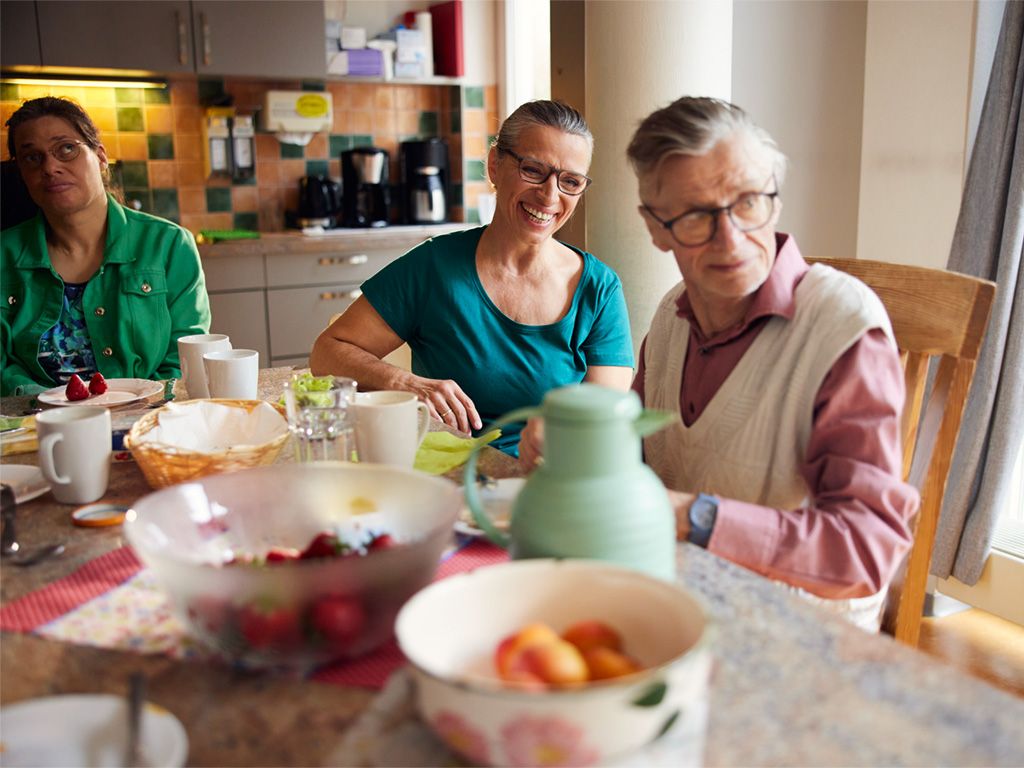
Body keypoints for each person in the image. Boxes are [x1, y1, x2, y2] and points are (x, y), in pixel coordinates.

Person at [522, 97, 919, 629]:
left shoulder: (844, 327)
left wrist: (692, 517)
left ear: (774, 202)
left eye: (748, 201)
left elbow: (865, 551)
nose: (731, 239)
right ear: (656, 227)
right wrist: (577, 444)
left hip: (797, 631)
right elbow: (637, 456)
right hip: (674, 605)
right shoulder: (670, 318)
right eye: (695, 216)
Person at [310, 100, 634, 456]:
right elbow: (327, 352)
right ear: (495, 164)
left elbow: (607, 418)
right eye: (533, 170)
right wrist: (404, 382)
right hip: (448, 479)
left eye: (570, 181)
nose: (549, 195)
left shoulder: (598, 288)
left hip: (548, 482)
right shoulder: (433, 267)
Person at [1, 97, 211, 396]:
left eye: (66, 148)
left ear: (100, 157)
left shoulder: (169, 245)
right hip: (35, 425)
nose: (50, 167)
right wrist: (45, 405)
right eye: (32, 157)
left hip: (147, 418)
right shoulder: (3, 255)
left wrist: (139, 405)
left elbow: (185, 356)